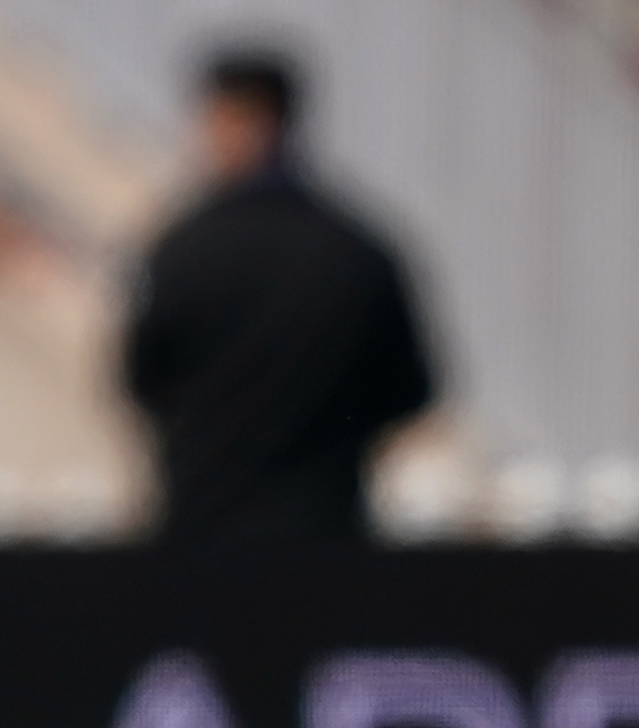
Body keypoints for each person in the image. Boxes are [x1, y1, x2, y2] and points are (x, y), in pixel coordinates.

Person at [122, 44, 434, 541]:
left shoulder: (182, 249)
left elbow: (140, 378)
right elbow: (411, 388)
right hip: (323, 530)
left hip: (202, 532)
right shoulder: (358, 251)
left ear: (232, 119)